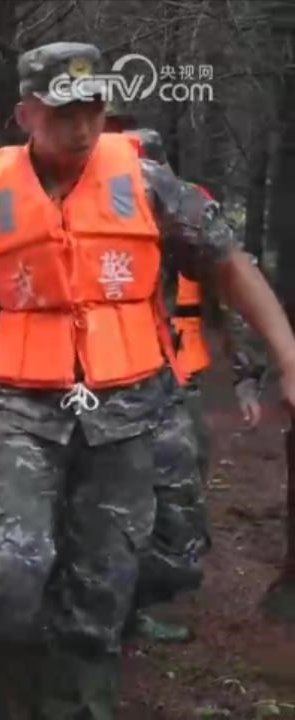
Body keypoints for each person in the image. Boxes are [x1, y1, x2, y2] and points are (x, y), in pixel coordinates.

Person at [0, 42, 295, 719]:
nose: (82, 128)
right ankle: (1, 689)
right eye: (63, 113)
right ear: (26, 113)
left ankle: (80, 704)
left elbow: (229, 264)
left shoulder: (149, 184)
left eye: (93, 110)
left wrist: (287, 356)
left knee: (102, 592)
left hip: (127, 413)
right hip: (22, 411)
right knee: (2, 575)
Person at [121, 127, 268, 644]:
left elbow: (231, 302)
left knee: (178, 493)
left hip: (177, 380)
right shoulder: (96, 224)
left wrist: (246, 379)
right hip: (111, 385)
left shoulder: (186, 225)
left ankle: (141, 596)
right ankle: (113, 606)